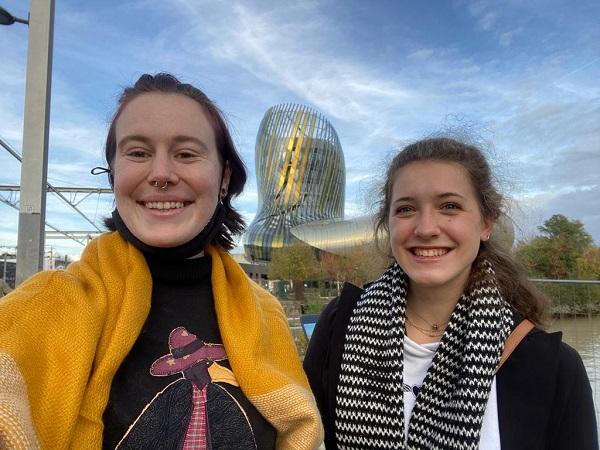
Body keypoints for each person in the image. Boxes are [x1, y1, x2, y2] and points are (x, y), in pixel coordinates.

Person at [0, 73, 323, 449]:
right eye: (137, 152)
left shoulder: (265, 314)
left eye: (186, 154)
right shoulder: (45, 307)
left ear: (224, 177)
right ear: (113, 173)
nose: (161, 174)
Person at [304, 137, 598, 450]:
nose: (426, 228)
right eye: (406, 209)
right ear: (388, 224)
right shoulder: (341, 326)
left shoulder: (550, 366)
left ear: (486, 224)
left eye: (449, 206)